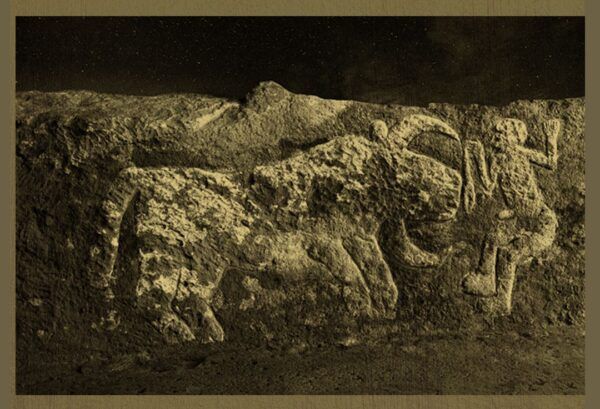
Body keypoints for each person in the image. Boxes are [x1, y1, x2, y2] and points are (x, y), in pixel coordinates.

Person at [461, 117, 560, 314]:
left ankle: (501, 301)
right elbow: (488, 186)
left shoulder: (522, 154)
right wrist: (478, 156)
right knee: (492, 239)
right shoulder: (497, 160)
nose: (497, 137)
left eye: (502, 134)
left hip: (541, 224)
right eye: (497, 134)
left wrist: (551, 138)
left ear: (515, 138)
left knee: (509, 254)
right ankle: (486, 278)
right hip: (522, 222)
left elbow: (550, 163)